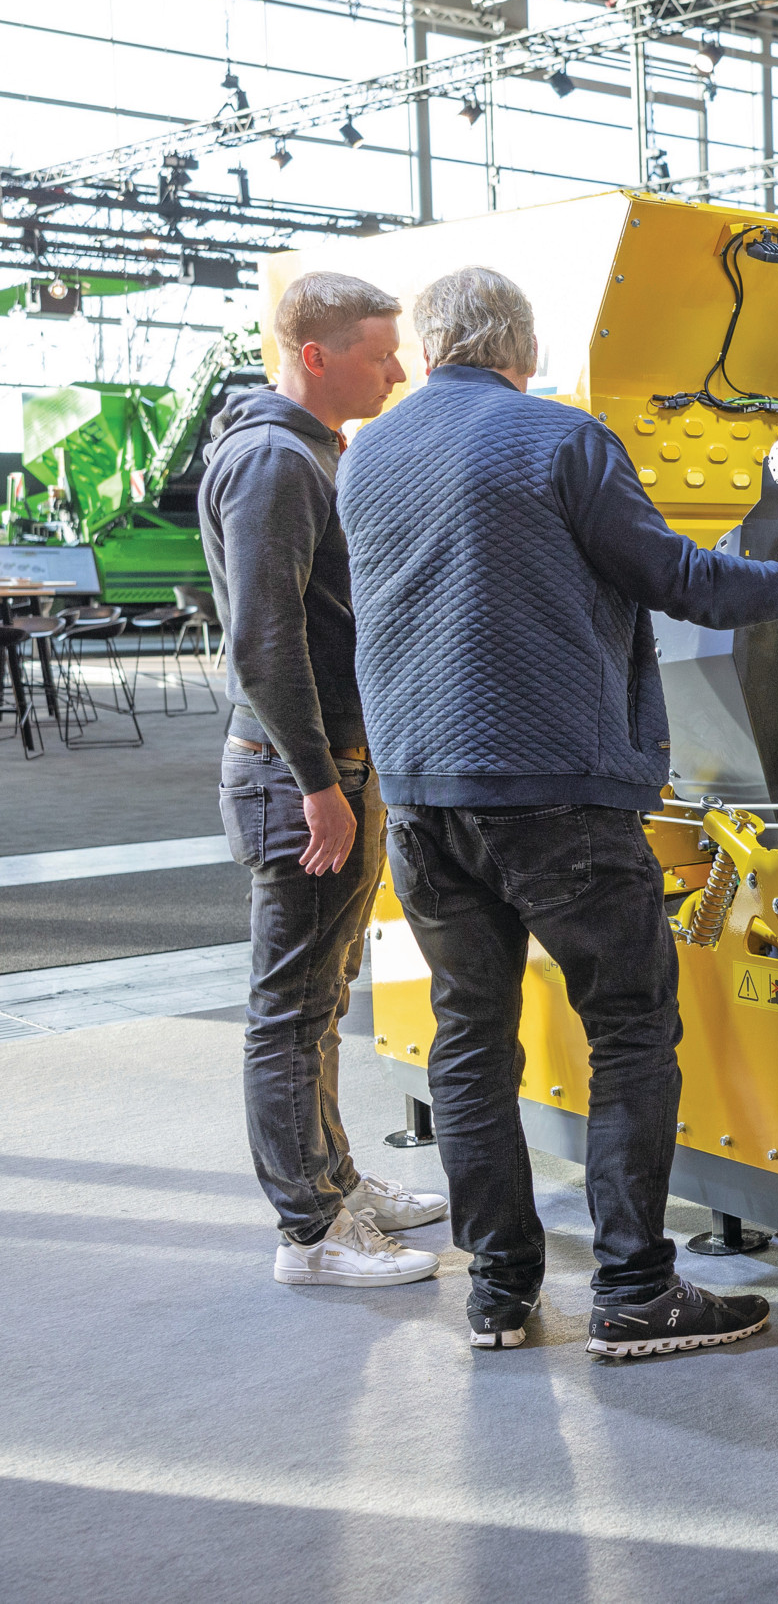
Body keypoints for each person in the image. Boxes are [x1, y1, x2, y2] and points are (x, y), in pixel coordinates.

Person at [336, 267, 778, 1357]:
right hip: (559, 797)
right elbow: (685, 581)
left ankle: (498, 1288)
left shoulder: (369, 456)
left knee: (467, 1037)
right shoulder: (561, 441)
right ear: (522, 350)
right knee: (629, 1027)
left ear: (432, 351)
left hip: (425, 799)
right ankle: (633, 1289)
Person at [201, 271, 448, 1291]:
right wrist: (318, 781)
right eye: (379, 351)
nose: (396, 368)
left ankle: (335, 1180)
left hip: (329, 762)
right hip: (297, 771)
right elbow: (265, 644)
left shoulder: (306, 451)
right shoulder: (274, 462)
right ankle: (309, 1229)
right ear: (316, 354)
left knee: (319, 994)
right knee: (289, 1007)